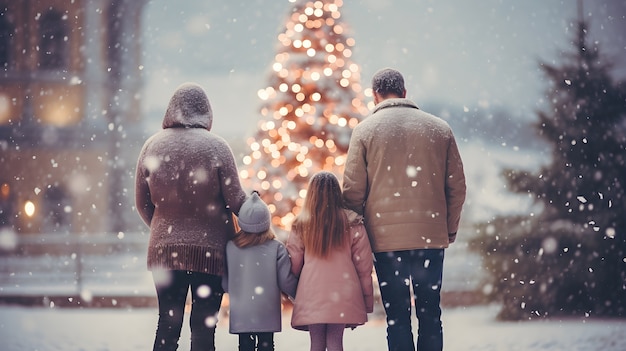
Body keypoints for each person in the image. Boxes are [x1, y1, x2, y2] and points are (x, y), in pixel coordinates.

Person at [342, 68, 466, 351]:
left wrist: (359, 233)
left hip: (385, 242)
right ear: (405, 92)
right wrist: (448, 228)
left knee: (397, 317)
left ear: (375, 96)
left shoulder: (364, 132)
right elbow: (457, 187)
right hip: (430, 237)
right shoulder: (439, 128)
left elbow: (352, 193)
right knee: (430, 313)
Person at [135, 82, 247, 351]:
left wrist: (166, 227)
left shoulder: (152, 146)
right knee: (203, 327)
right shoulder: (217, 147)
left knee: (168, 323)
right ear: (206, 113)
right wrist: (255, 205)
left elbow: (142, 204)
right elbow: (236, 201)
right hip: (210, 252)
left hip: (164, 251)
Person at [286, 171, 374, 351]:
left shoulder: (301, 225)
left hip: (311, 293)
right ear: (337, 193)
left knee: (316, 344)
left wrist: (293, 290)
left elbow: (293, 265)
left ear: (311, 194)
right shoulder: (353, 223)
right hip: (343, 292)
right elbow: (364, 268)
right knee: (336, 343)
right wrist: (366, 301)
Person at [222, 191, 298, 351]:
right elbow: (286, 280)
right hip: (267, 309)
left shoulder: (231, 247)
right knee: (266, 346)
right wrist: (299, 295)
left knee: (245, 346)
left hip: (242, 310)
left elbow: (225, 284)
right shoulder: (276, 248)